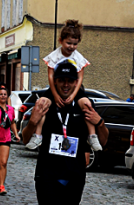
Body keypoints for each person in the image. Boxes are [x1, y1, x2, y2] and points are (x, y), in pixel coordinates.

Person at [21, 61, 109, 205]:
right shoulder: (45, 103)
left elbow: (104, 139)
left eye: (71, 81)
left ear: (75, 82)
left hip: (75, 175)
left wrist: (99, 121)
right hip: (48, 173)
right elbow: (24, 139)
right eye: (62, 80)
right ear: (56, 81)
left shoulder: (83, 105)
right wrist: (33, 120)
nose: (67, 85)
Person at [26, 20, 101, 152]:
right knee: (42, 103)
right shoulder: (54, 56)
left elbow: (80, 77)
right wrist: (54, 95)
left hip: (75, 87)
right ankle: (37, 135)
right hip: (56, 87)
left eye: (75, 44)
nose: (71, 47)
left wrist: (73, 95)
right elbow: (50, 76)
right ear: (61, 41)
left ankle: (92, 135)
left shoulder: (78, 58)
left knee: (87, 104)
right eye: (69, 43)